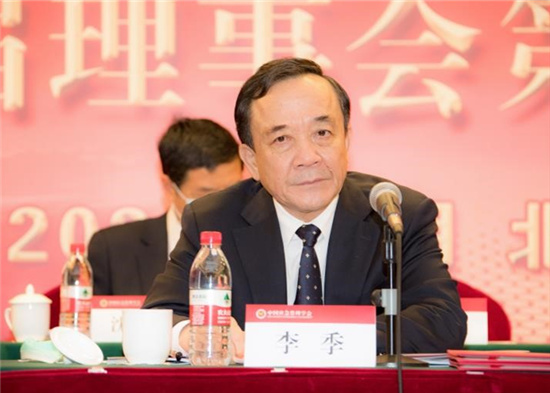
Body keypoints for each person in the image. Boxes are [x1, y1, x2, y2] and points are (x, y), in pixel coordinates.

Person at [143, 58, 467, 359]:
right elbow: (161, 315)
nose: (308, 157)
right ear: (252, 161)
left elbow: (442, 319)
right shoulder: (214, 219)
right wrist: (198, 334)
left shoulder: (395, 214)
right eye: (282, 139)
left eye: (322, 133)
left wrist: (307, 338)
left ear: (346, 140)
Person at [88, 118, 243, 295]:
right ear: (169, 187)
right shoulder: (112, 249)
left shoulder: (257, 242)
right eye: (208, 194)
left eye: (232, 190)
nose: (222, 203)